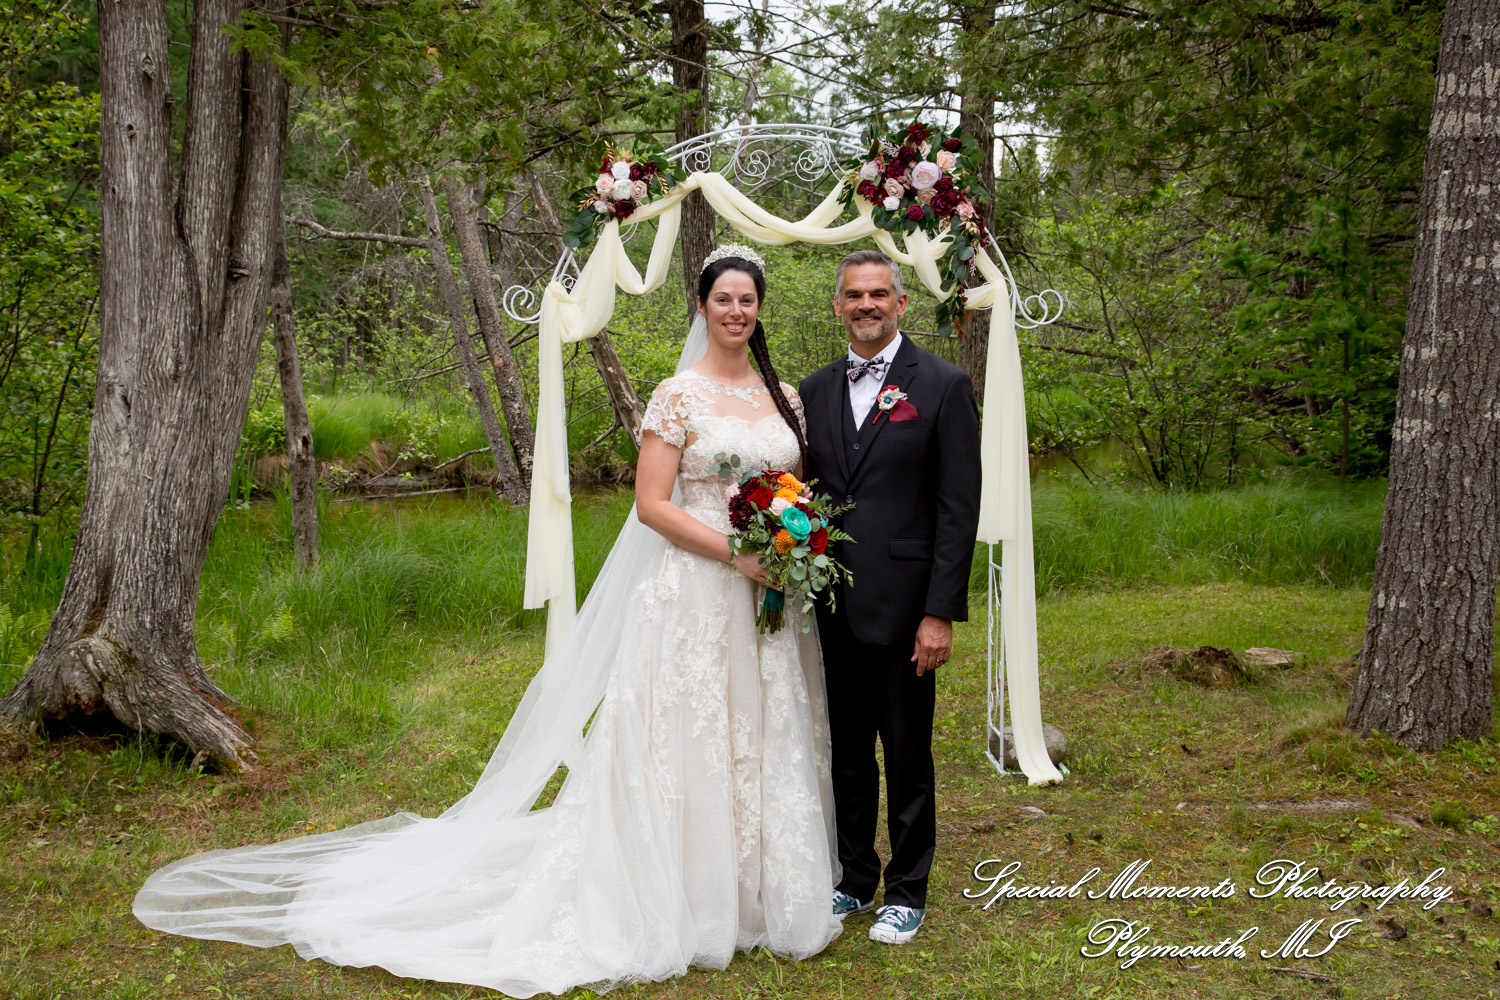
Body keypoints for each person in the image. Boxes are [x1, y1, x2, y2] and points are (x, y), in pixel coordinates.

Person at [133, 245, 843, 996]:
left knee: (763, 730)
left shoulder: (785, 395)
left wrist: (786, 542)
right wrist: (739, 552)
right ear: (701, 307)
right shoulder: (677, 394)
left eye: (748, 300)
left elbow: (790, 485)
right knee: (693, 737)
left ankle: (762, 889)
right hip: (698, 591)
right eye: (724, 299)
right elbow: (652, 505)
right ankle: (692, 896)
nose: (737, 311)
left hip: (771, 595)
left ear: (759, 308)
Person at [798, 249, 982, 945]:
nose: (867, 305)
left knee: (907, 752)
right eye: (854, 295)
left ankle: (908, 890)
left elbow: (957, 508)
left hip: (908, 608)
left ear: (901, 304)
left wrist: (941, 611)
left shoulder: (940, 386)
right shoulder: (812, 391)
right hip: (829, 604)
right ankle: (854, 878)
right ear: (838, 306)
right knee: (845, 750)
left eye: (879, 294)